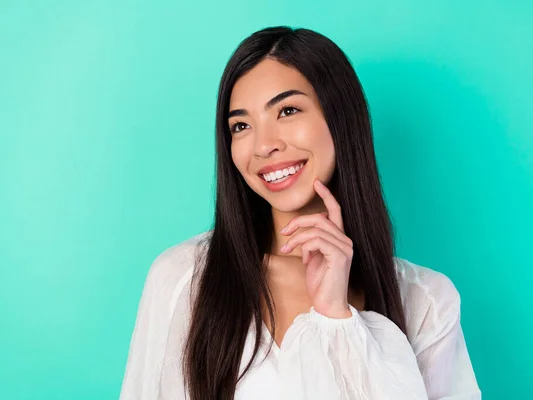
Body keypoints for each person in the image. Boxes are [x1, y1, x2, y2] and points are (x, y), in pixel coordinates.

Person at [119, 26, 481, 400]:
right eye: (241, 126)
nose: (264, 145)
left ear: (340, 120)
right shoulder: (183, 278)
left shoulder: (427, 303)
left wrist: (336, 318)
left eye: (288, 110)